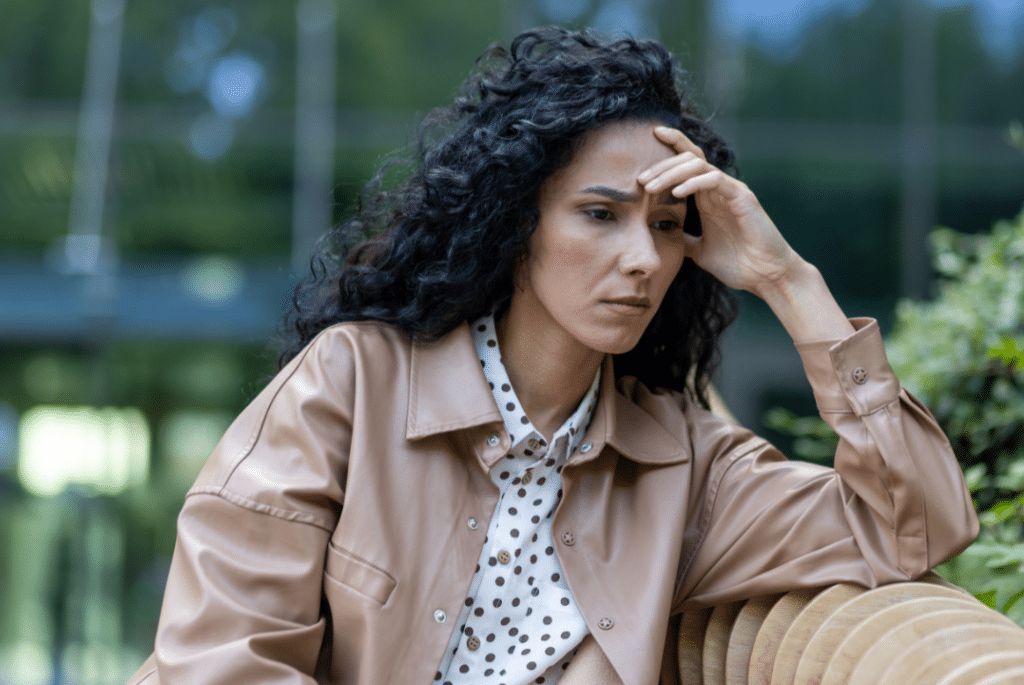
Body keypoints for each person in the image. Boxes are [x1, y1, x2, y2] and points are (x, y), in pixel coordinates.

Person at [128, 26, 978, 685]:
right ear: (517, 222)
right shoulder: (353, 382)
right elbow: (225, 655)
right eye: (601, 215)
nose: (643, 259)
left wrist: (790, 282)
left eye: (668, 227)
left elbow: (915, 527)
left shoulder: (683, 464)